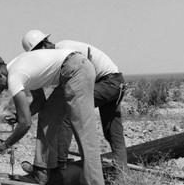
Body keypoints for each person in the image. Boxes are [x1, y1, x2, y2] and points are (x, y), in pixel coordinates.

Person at [0, 50, 106, 185]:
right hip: (71, 70)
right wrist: (18, 115)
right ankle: (43, 170)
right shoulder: (19, 65)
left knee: (84, 132)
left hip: (76, 70)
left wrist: (6, 144)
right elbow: (39, 102)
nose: (2, 89)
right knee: (47, 114)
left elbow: (25, 123)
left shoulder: (14, 77)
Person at [22, 30, 128, 173]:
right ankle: (122, 175)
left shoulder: (63, 51)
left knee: (67, 109)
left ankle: (59, 163)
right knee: (114, 133)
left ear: (45, 45)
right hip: (115, 83)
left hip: (107, 83)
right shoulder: (62, 49)